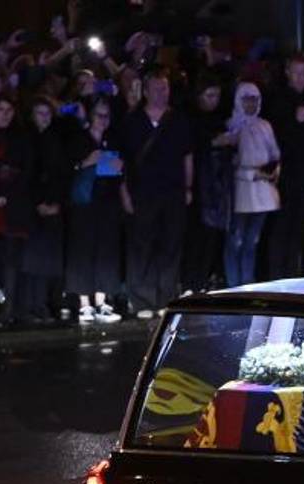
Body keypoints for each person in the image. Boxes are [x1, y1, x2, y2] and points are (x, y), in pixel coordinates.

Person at [118, 68, 193, 317]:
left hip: (173, 192)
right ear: (147, 91)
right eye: (158, 88)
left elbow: (187, 156)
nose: (163, 93)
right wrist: (124, 193)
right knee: (142, 245)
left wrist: (188, 187)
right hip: (143, 192)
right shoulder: (132, 121)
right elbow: (122, 161)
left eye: (166, 88)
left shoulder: (178, 119)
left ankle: (165, 297)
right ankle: (141, 299)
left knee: (171, 244)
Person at [265, 52, 304, 279]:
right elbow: (274, 139)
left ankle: (292, 275)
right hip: (285, 175)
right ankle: (276, 276)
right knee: (281, 228)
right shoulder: (277, 99)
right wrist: (295, 121)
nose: (301, 77)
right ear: (288, 72)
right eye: (297, 72)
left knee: (299, 228)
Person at [65, 96, 123, 323]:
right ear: (90, 116)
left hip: (107, 203)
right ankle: (84, 304)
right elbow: (68, 167)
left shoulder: (112, 138)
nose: (103, 120)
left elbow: (116, 171)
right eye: (99, 115)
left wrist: (119, 167)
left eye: (106, 116)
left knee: (106, 251)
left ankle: (101, 302)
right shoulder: (79, 138)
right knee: (82, 251)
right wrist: (86, 162)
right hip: (84, 204)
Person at [225, 82, 279, 287]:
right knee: (236, 242)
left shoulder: (265, 126)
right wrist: (253, 174)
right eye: (247, 99)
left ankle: (247, 282)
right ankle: (233, 284)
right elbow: (230, 163)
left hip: (264, 194)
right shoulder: (232, 126)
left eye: (255, 99)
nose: (252, 104)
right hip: (241, 194)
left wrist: (273, 170)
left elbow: (275, 153)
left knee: (252, 241)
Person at [183, 74, 231, 292]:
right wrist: (213, 142)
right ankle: (191, 282)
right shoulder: (191, 119)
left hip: (216, 187)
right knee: (197, 237)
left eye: (217, 96)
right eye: (209, 95)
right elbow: (190, 149)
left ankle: (204, 280)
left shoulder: (219, 119)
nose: (214, 100)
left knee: (212, 237)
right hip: (198, 187)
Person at [25, 96, 69, 322]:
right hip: (35, 208)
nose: (44, 118)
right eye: (40, 113)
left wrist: (57, 203)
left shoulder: (55, 139)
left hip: (54, 205)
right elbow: (28, 175)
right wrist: (38, 203)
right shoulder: (29, 139)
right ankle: (35, 305)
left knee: (48, 260)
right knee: (35, 261)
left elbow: (61, 174)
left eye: (47, 113)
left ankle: (47, 304)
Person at [0, 95, 34, 327]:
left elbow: (24, 172)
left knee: (10, 263)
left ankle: (7, 310)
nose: (5, 114)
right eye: (1, 109)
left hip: (10, 210)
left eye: (9, 110)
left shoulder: (19, 139)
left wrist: (6, 194)